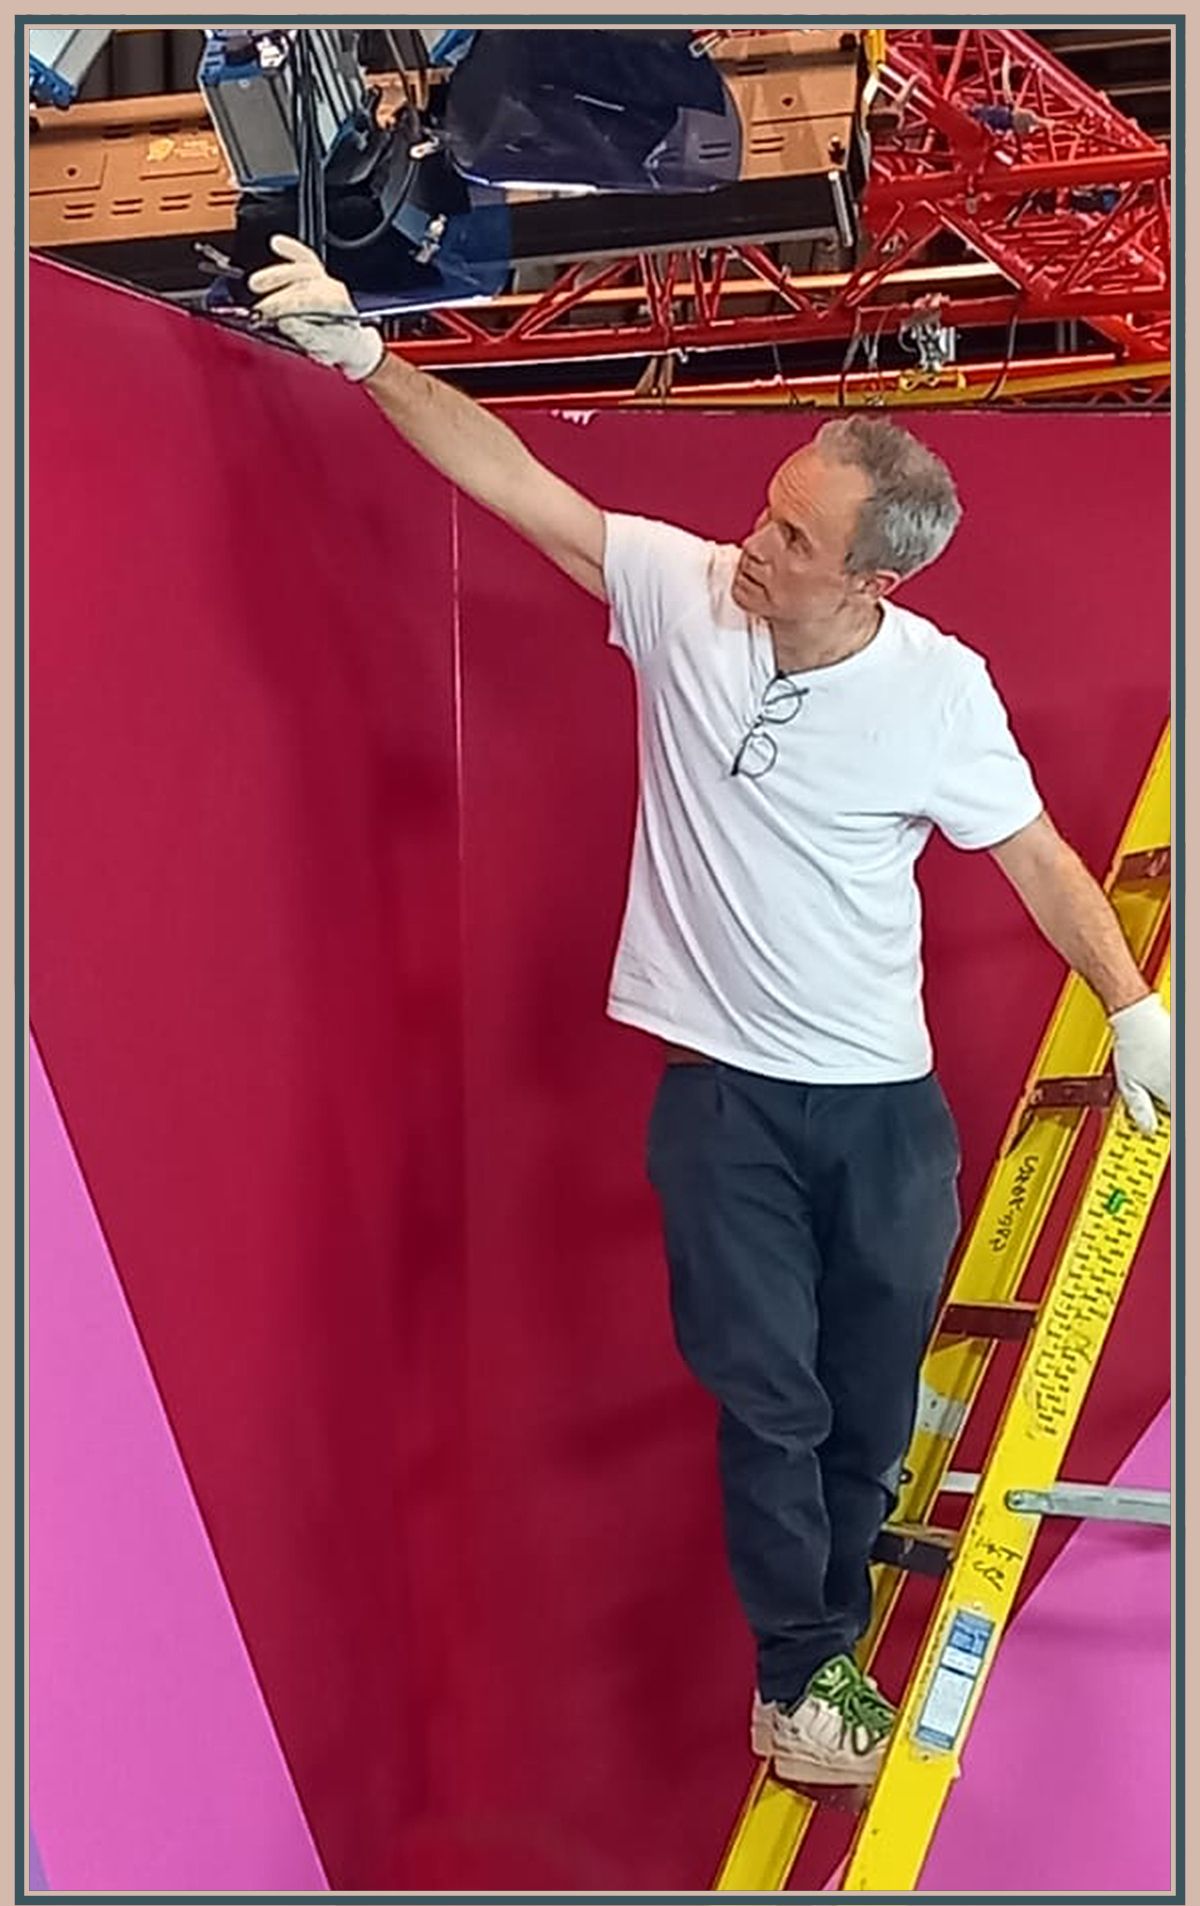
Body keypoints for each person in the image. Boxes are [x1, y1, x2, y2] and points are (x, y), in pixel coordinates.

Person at [248, 236, 1172, 1789]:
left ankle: (830, 1636)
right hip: (727, 1097)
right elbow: (518, 481)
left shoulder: (939, 690)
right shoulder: (686, 597)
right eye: (765, 507)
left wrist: (1133, 1005)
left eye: (793, 536)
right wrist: (366, 358)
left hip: (884, 1106)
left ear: (870, 576)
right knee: (770, 1391)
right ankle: (801, 1679)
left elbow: (1034, 855)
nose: (753, 543)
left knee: (869, 1410)